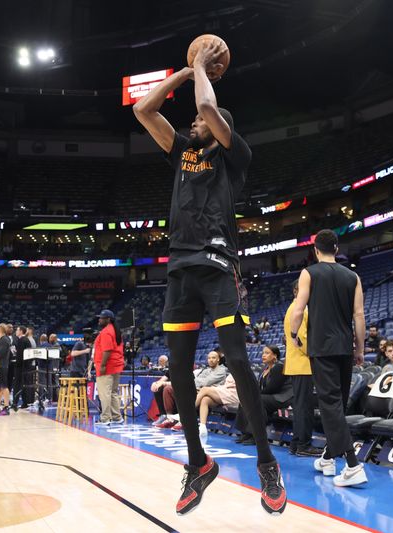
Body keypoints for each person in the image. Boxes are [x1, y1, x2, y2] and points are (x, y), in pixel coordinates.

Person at [133, 38, 285, 515]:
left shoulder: (234, 154)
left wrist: (200, 66)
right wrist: (183, 70)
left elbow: (205, 103)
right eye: (195, 121)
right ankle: (199, 463)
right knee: (177, 371)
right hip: (179, 269)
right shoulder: (181, 152)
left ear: (220, 129)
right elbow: (143, 109)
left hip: (219, 267)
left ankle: (265, 462)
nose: (194, 122)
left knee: (239, 363)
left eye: (201, 122)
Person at [290, 229, 368, 488]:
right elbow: (359, 316)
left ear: (315, 250)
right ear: (336, 249)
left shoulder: (308, 273)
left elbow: (299, 309)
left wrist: (293, 333)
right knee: (339, 404)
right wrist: (360, 348)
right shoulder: (353, 276)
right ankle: (327, 457)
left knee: (331, 405)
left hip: (321, 348)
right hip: (345, 347)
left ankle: (353, 465)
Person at [283, 279, 320, 457]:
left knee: (300, 406)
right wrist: (315, 355)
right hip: (303, 363)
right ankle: (304, 445)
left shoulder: (293, 307)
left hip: (296, 364)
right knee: (304, 407)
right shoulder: (300, 309)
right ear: (297, 290)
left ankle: (297, 443)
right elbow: (302, 338)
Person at [235, 345, 292, 445]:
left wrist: (255, 395)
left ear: (275, 356)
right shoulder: (265, 370)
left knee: (256, 400)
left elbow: (274, 388)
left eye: (267, 353)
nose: (263, 355)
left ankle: (256, 435)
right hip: (270, 397)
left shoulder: (279, 367)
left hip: (282, 397)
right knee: (246, 399)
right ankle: (245, 432)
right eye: (263, 353)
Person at [158, 350, 228, 430]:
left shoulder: (221, 370)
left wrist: (195, 385)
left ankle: (183, 418)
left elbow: (205, 382)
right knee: (169, 389)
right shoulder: (207, 370)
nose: (210, 360)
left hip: (212, 395)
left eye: (213, 358)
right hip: (200, 390)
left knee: (186, 391)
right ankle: (170, 418)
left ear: (218, 359)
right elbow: (197, 381)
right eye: (209, 358)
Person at [93, 309, 125, 425]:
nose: (99, 320)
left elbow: (107, 350)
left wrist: (102, 365)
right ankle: (117, 417)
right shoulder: (115, 330)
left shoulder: (106, 332)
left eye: (101, 318)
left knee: (105, 393)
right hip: (116, 365)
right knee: (113, 392)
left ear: (108, 319)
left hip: (107, 366)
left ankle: (105, 418)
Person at [195, 373, 239, 439]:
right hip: (226, 392)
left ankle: (185, 415)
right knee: (205, 399)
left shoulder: (242, 370)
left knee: (204, 389)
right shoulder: (232, 371)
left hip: (235, 395)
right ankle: (203, 427)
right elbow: (225, 386)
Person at [10, 326, 28, 410]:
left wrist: (15, 362)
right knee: (23, 384)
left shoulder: (21, 340)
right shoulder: (26, 340)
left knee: (17, 384)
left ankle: (15, 403)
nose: (16, 331)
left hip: (20, 367)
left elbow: (20, 356)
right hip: (25, 367)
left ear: (21, 331)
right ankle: (25, 402)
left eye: (17, 330)